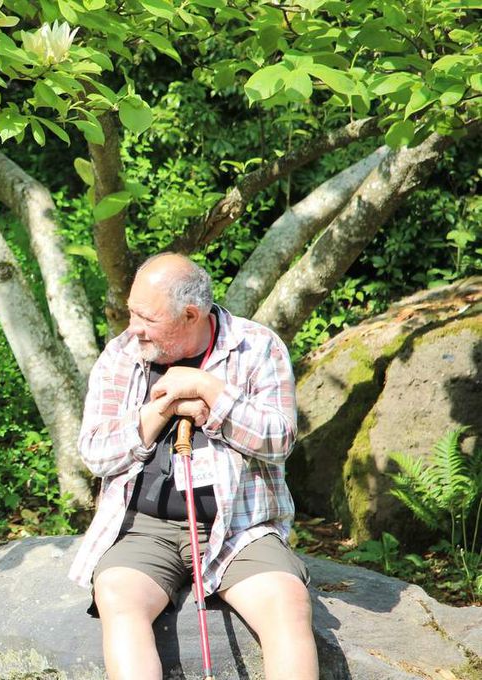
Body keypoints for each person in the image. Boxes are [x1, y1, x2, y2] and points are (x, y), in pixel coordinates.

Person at [69, 253, 318, 680]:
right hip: (144, 526)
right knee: (118, 594)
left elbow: (279, 440)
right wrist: (160, 409)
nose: (133, 327)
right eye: (132, 311)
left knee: (286, 603)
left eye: (146, 317)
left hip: (241, 526)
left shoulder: (257, 346)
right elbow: (94, 452)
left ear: (190, 315)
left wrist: (210, 393)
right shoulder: (122, 354)